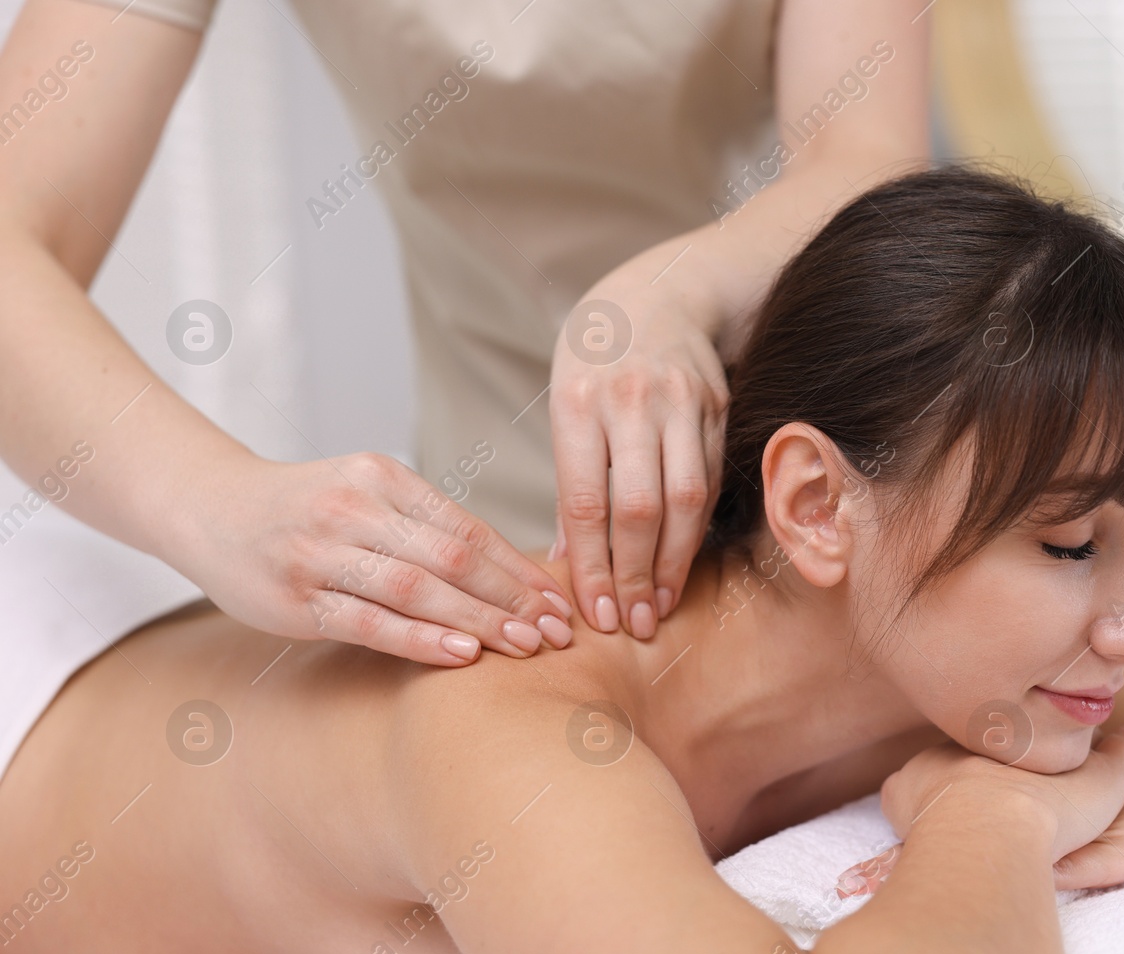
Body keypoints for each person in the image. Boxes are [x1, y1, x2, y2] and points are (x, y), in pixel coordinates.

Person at [0, 169, 1124, 954]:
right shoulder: (510, 712)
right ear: (814, 505)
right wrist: (990, 828)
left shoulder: (932, 672)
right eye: (1074, 540)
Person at [0, 0, 928, 665]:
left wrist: (675, 293)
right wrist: (215, 503)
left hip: (830, 526)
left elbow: (869, 158)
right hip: (504, 559)